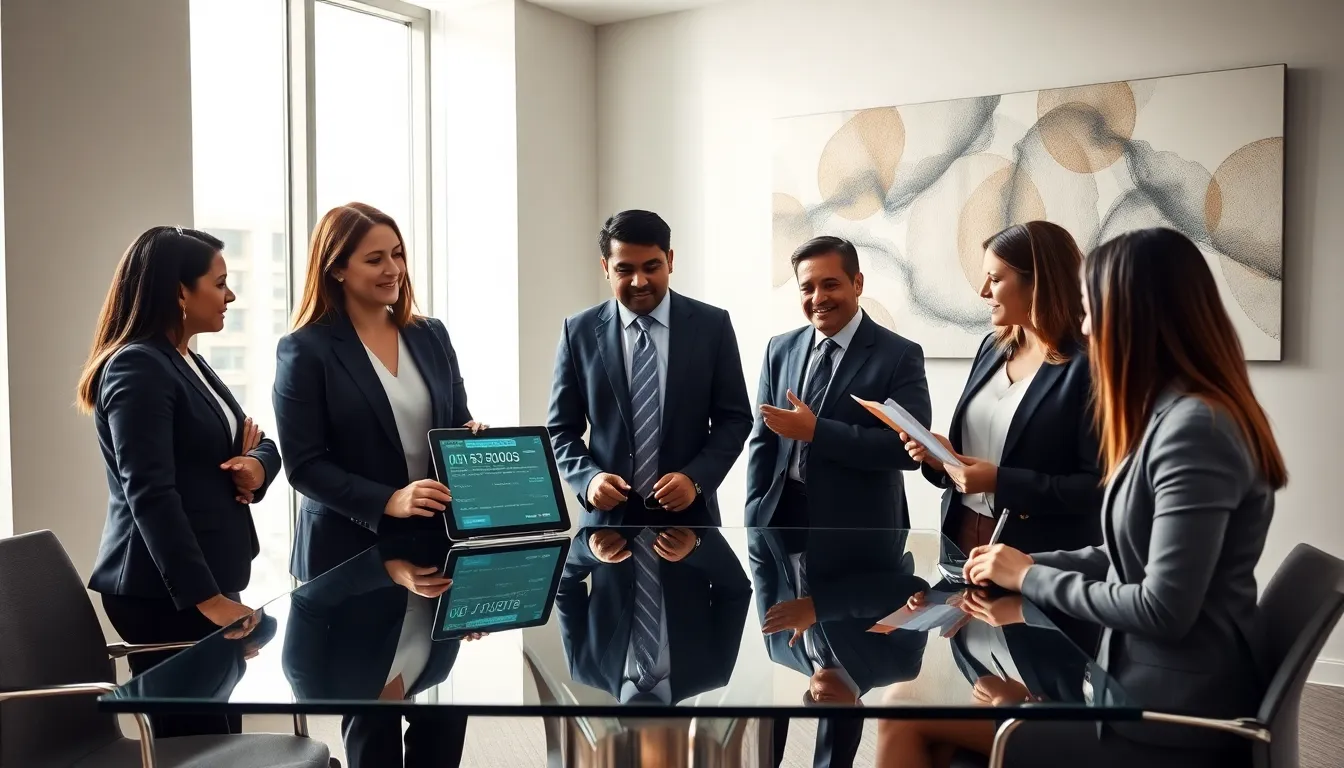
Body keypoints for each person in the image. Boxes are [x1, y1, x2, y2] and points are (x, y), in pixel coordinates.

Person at [876, 227, 1287, 768]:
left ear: (1136, 318)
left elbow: (1162, 608)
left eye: (1092, 312)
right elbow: (1127, 556)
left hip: (1166, 716)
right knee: (930, 713)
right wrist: (1022, 565)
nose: (1086, 328)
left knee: (902, 713)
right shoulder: (1174, 415)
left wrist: (1029, 576)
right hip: (1134, 685)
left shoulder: (1195, 430)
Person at [272, 202, 483, 767]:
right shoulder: (306, 349)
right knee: (375, 722)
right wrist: (388, 500)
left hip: (434, 551)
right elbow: (304, 465)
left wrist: (472, 437)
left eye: (397, 254)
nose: (393, 268)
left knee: (441, 714)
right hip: (350, 560)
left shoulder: (430, 335)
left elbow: (456, 418)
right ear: (337, 268)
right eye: (374, 259)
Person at [81, 226, 281, 738]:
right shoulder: (138, 366)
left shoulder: (186, 359)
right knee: (195, 746)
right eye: (220, 283)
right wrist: (208, 601)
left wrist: (255, 467)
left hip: (205, 580)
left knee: (218, 739)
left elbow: (255, 439)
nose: (230, 296)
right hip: (164, 594)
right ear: (179, 292)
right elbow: (149, 493)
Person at [902, 221, 1101, 651]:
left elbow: (1097, 489)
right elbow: (971, 458)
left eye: (994, 279)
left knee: (1035, 674)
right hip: (961, 545)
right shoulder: (991, 349)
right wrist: (942, 460)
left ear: (1038, 283)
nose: (982, 291)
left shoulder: (1089, 366)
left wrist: (998, 481)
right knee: (977, 670)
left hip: (1038, 560)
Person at [547, 209, 752, 528]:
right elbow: (561, 429)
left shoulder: (712, 326)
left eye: (651, 267)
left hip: (690, 522)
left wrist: (696, 479)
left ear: (670, 260)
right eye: (624, 269)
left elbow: (735, 419)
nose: (639, 281)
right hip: (606, 527)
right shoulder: (578, 331)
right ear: (605, 268)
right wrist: (588, 479)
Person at [746, 235, 931, 541]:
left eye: (830, 285)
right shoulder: (779, 349)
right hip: (780, 525)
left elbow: (907, 451)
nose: (818, 298)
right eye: (807, 288)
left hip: (864, 531)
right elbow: (762, 442)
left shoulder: (899, 355)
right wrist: (754, 519)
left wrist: (817, 431)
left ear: (857, 283)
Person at [749, 527, 929, 768]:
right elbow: (913, 594)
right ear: (858, 707)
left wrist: (757, 517)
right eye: (837, 713)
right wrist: (817, 609)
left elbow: (761, 566)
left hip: (784, 519)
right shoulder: (898, 665)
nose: (821, 703)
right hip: (856, 522)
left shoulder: (779, 650)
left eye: (815, 707)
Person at [557, 526, 751, 705]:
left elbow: (560, 584)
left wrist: (588, 550)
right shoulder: (712, 671)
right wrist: (697, 546)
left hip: (610, 513)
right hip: (682, 514)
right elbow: (735, 589)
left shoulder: (583, 666)